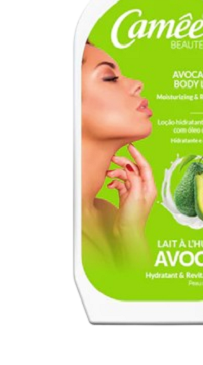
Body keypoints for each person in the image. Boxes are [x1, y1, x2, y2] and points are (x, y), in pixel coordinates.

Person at [81, 40, 157, 268]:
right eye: (110, 78)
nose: (138, 84)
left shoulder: (109, 216)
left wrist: (131, 232)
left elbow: (140, 289)